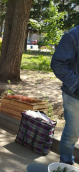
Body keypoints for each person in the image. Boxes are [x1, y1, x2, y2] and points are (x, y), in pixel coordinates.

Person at [51, 25, 79, 165]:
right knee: (72, 133)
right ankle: (65, 164)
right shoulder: (73, 35)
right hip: (75, 96)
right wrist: (76, 85)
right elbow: (58, 64)